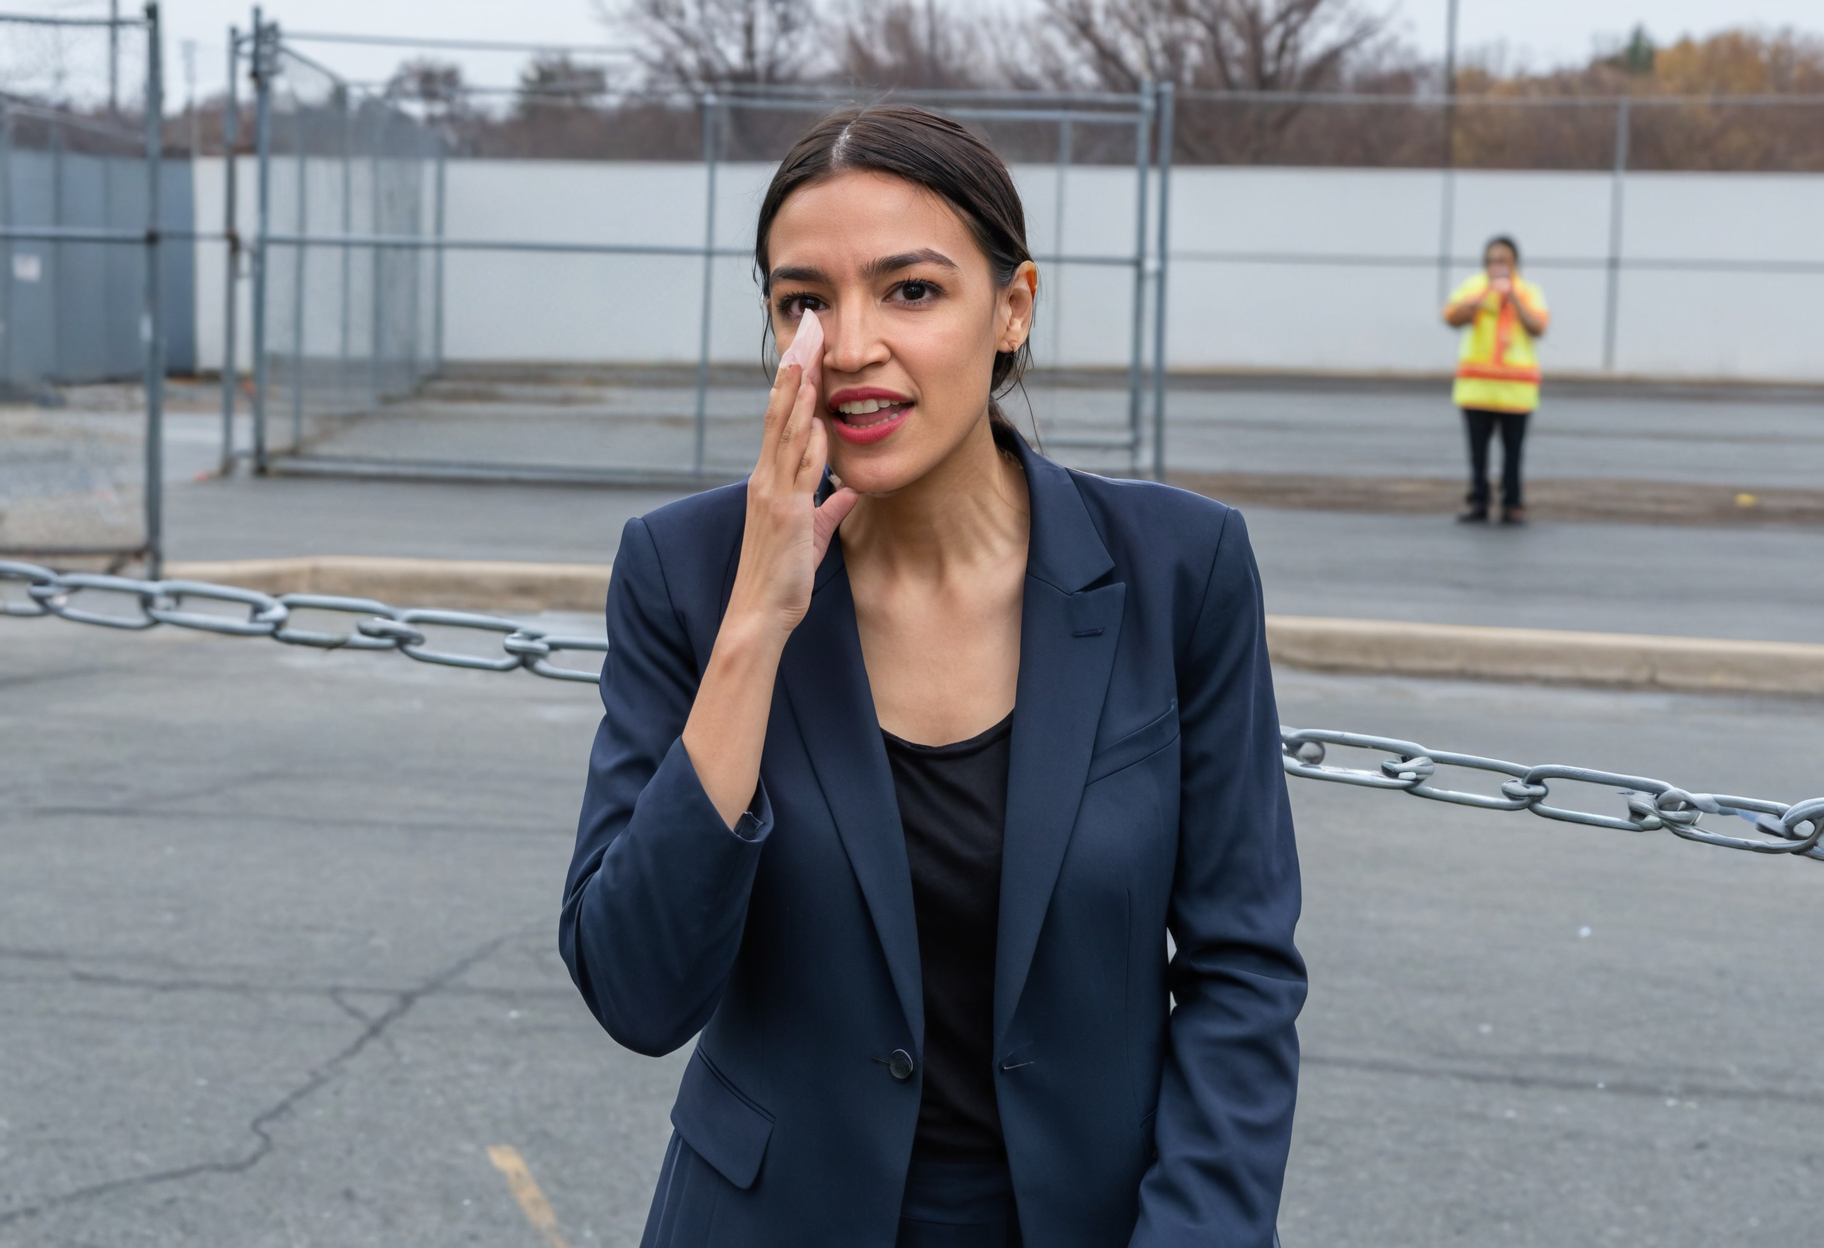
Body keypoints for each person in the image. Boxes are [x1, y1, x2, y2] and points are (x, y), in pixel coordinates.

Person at [560, 105, 1305, 1248]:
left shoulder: (1179, 570)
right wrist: (755, 627)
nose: (850, 344)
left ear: (1012, 310)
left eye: (911, 291)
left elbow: (1241, 973)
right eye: (804, 301)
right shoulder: (684, 571)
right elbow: (638, 991)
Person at [1442, 235, 1550, 524]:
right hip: (1477, 388)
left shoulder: (1528, 292)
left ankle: (1513, 503)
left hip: (1516, 391)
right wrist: (1484, 297)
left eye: (1503, 260)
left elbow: (1539, 326)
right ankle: (1478, 499)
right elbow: (1452, 317)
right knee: (1478, 453)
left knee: (1513, 454)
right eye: (1492, 260)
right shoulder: (1473, 288)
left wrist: (1512, 297)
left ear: (1515, 264)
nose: (1497, 266)